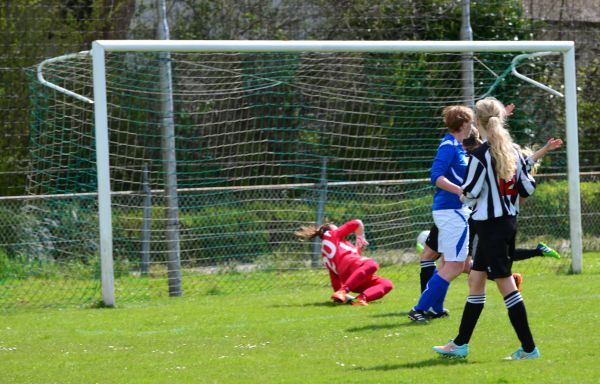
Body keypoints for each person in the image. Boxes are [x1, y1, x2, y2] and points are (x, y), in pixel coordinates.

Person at [433, 97, 540, 360]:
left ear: (477, 124)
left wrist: (463, 196)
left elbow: (469, 192)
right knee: (476, 280)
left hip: (489, 227)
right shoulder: (513, 151)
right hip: (505, 224)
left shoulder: (480, 156)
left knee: (505, 284)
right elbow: (527, 186)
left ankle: (529, 348)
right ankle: (460, 344)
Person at [418, 130, 563, 293]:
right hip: (477, 216)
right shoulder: (485, 158)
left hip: (461, 212)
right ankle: (429, 304)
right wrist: (544, 149)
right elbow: (526, 162)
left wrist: (462, 194)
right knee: (464, 263)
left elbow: (523, 164)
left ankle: (426, 305)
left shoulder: (476, 158)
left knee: (447, 261)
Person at [408, 105, 473, 323]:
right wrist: (460, 191)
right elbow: (436, 176)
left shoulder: (457, 145)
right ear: (463, 124)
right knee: (455, 266)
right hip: (452, 211)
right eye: (471, 122)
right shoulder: (449, 146)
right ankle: (419, 309)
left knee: (448, 264)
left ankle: (435, 308)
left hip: (452, 211)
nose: (473, 126)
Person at [295, 219, 393, 306]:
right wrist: (361, 237)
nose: (339, 228)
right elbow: (357, 222)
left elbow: (336, 281)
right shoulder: (331, 234)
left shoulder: (328, 254)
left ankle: (360, 299)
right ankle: (344, 291)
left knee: (386, 284)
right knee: (372, 264)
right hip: (351, 276)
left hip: (352, 278)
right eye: (336, 227)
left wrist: (347, 298)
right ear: (329, 230)